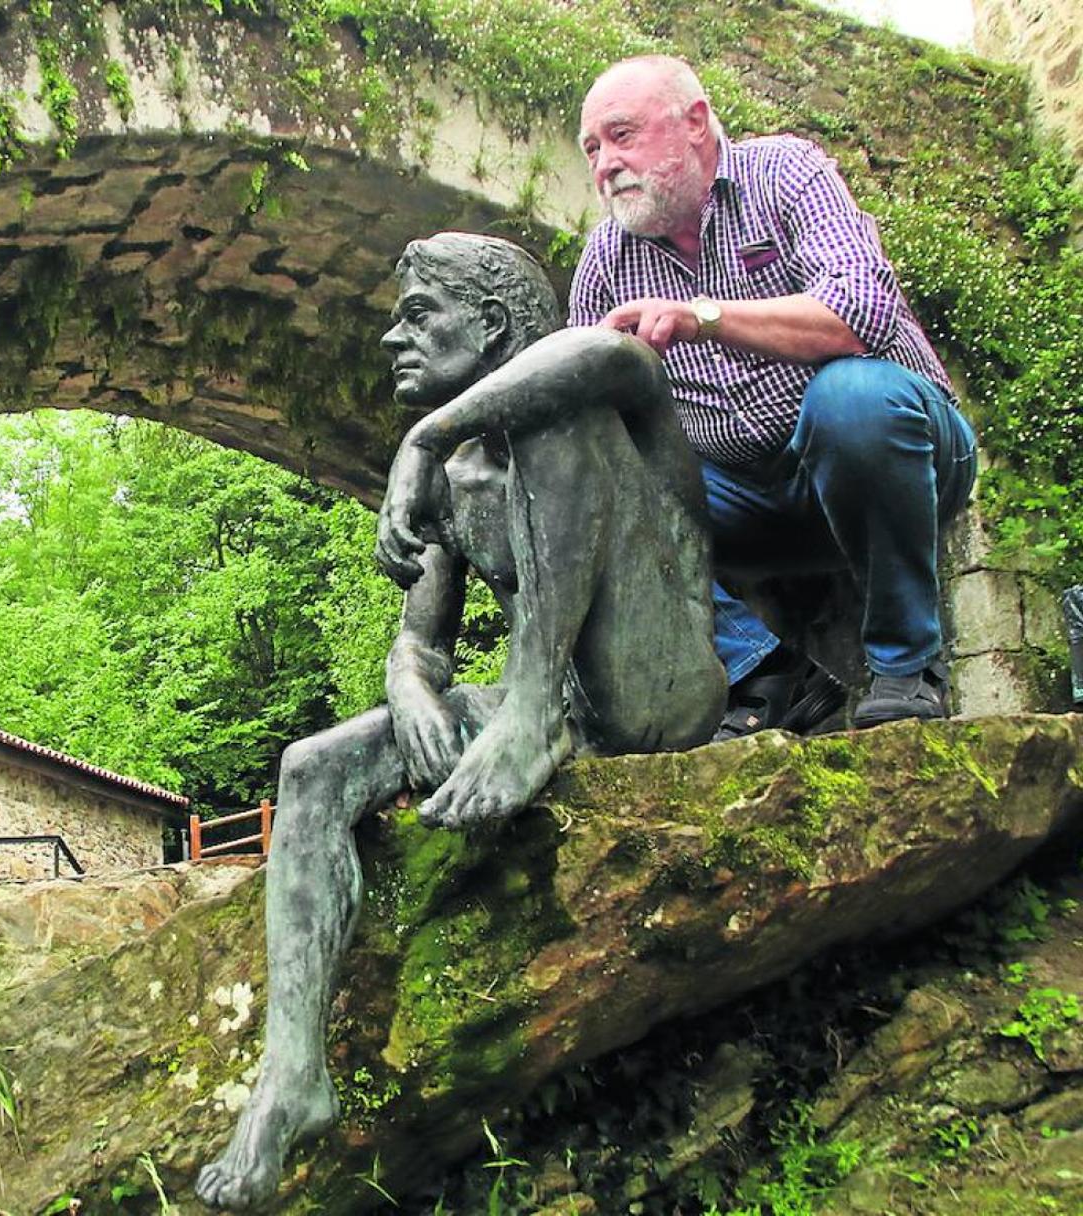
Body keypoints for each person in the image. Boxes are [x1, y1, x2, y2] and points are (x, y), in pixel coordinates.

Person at [194, 232, 725, 1210]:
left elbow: (607, 354)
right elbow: (421, 639)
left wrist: (424, 433)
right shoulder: (447, 475)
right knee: (312, 767)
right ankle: (291, 1075)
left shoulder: (602, 394)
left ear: (487, 324)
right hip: (556, 701)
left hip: (654, 689)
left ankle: (525, 717)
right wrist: (410, 690)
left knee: (546, 413)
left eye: (418, 315)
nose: (395, 336)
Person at [572, 54, 977, 735]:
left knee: (851, 400)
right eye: (591, 148)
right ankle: (760, 673)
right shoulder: (604, 260)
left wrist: (704, 316)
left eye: (621, 135)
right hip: (745, 503)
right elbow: (578, 423)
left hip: (901, 454)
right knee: (580, 474)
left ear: (694, 123)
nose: (604, 163)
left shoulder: (787, 172)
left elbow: (863, 314)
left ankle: (909, 667)